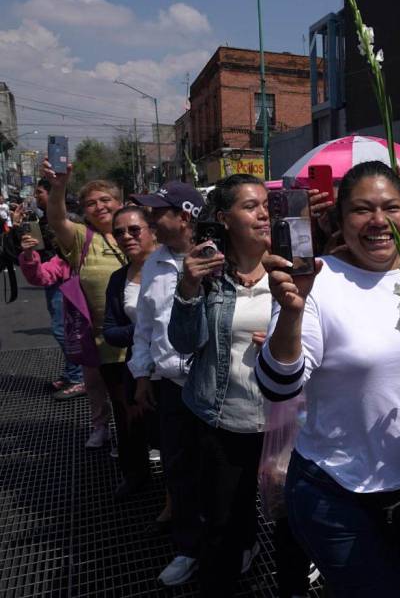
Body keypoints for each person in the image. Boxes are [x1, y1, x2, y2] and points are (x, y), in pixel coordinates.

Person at [255, 161, 400, 597]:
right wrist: (291, 312)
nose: (378, 221)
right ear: (340, 218)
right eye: (361, 210)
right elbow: (278, 386)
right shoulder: (315, 280)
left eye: (391, 207)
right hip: (337, 491)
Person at [168, 174, 272, 596]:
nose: (263, 213)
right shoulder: (209, 274)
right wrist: (188, 287)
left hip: (281, 421)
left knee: (283, 518)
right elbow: (184, 342)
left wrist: (289, 342)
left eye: (266, 205)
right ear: (224, 218)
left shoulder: (295, 266)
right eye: (250, 206)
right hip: (222, 419)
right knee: (223, 522)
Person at [127, 181, 206, 586]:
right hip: (171, 388)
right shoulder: (154, 262)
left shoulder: (217, 258)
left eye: (160, 213)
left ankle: (239, 541)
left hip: (213, 387)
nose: (151, 221)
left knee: (223, 471)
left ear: (187, 215)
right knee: (178, 468)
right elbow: (145, 326)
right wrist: (142, 375)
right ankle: (189, 548)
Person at [40, 162, 126, 447]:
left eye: (106, 200)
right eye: (90, 203)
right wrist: (59, 186)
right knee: (96, 384)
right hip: (96, 332)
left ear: (120, 202)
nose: (99, 206)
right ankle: (100, 426)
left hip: (135, 331)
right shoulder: (82, 238)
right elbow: (56, 219)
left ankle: (136, 435)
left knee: (135, 390)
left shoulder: (137, 232)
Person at [101, 206, 158, 500]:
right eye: (119, 232)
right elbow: (110, 330)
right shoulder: (119, 278)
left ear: (152, 230)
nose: (126, 237)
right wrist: (144, 331)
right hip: (137, 365)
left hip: (176, 368)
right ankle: (135, 475)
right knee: (131, 425)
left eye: (134, 230)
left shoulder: (174, 267)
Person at [16, 180, 85, 392]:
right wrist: (29, 254)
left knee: (65, 331)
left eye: (40, 193)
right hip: (56, 280)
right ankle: (73, 373)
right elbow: (41, 275)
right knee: (63, 330)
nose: (37, 197)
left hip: (68, 286)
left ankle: (78, 376)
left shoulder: (72, 228)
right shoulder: (59, 259)